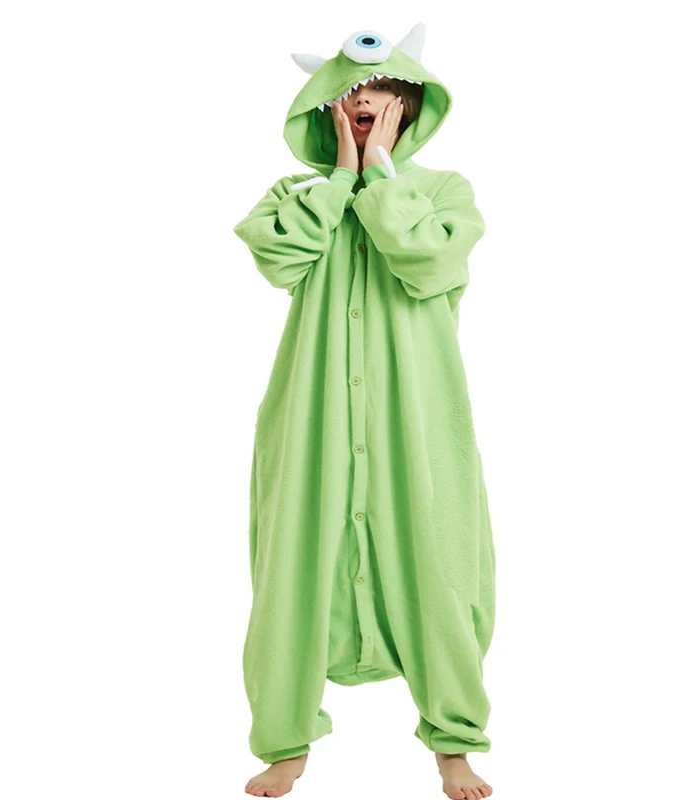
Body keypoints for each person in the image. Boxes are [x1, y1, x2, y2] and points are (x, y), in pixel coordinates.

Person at [233, 23, 495, 800]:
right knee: (293, 565)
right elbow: (280, 257)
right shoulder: (298, 197)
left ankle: (454, 742)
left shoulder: (442, 193)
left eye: (381, 93)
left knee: (438, 562)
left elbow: (430, 263)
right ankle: (284, 740)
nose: (365, 103)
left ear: (408, 106)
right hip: (310, 407)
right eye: (349, 93)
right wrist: (342, 177)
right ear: (325, 106)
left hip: (418, 407)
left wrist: (380, 175)